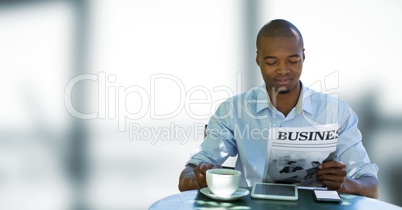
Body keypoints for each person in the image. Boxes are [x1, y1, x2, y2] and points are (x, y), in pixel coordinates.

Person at [178, 19, 379, 198]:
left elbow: (371, 187)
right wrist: (201, 177)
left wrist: (344, 184)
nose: (283, 70)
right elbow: (185, 179)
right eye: (272, 62)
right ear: (258, 60)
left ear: (304, 57)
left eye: (292, 60)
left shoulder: (337, 112)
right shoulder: (233, 111)